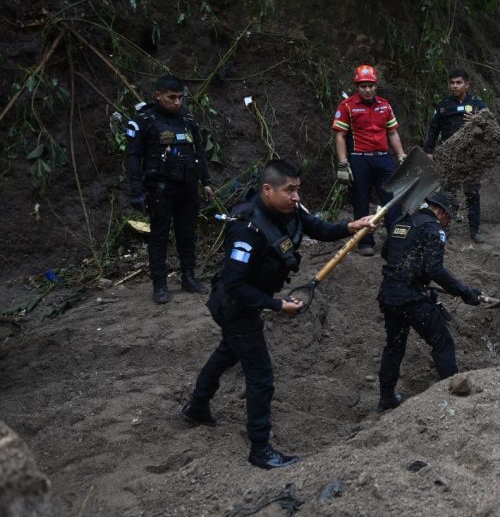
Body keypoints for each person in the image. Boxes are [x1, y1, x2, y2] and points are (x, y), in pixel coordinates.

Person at [181, 160, 376, 470]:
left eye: (298, 189)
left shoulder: (289, 211)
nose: (296, 197)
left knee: (227, 352)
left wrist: (349, 226)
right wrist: (277, 306)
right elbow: (235, 286)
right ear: (267, 189)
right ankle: (260, 450)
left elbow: (318, 229)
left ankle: (197, 406)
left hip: (248, 302)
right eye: (290, 190)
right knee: (261, 377)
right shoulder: (246, 229)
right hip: (235, 306)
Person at [377, 191, 482, 412]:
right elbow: (434, 269)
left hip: (389, 295)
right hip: (410, 298)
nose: (448, 222)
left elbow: (387, 253)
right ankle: (454, 397)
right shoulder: (433, 229)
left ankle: (386, 399)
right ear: (441, 211)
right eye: (448, 217)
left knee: (394, 347)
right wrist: (464, 292)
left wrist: (414, 273)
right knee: (442, 342)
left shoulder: (402, 221)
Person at [126, 75, 214, 304]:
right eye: (171, 97)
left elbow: (199, 153)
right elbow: (133, 157)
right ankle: (160, 284)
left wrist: (206, 182)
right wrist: (136, 190)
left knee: (187, 234)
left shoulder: (187, 120)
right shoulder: (144, 120)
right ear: (158, 95)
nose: (177, 102)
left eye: (180, 97)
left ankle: (188, 276)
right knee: (159, 236)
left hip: (187, 186)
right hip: (160, 188)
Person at [332, 64, 407, 256]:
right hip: (359, 160)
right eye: (363, 86)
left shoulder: (384, 105)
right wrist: (342, 164)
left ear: (376, 85)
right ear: (357, 87)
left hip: (383, 159)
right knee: (361, 201)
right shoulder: (347, 106)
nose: (367, 89)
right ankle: (365, 242)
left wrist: (400, 155)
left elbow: (392, 132)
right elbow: (340, 136)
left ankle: (396, 241)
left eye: (370, 85)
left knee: (392, 200)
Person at [424, 68, 488, 243]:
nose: (455, 86)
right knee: (448, 194)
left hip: (472, 156)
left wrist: (478, 120)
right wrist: (429, 151)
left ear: (467, 84)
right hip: (450, 157)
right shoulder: (444, 106)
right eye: (452, 83)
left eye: (459, 82)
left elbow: (490, 128)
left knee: (472, 193)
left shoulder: (478, 105)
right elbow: (433, 129)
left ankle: (475, 230)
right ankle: (445, 228)